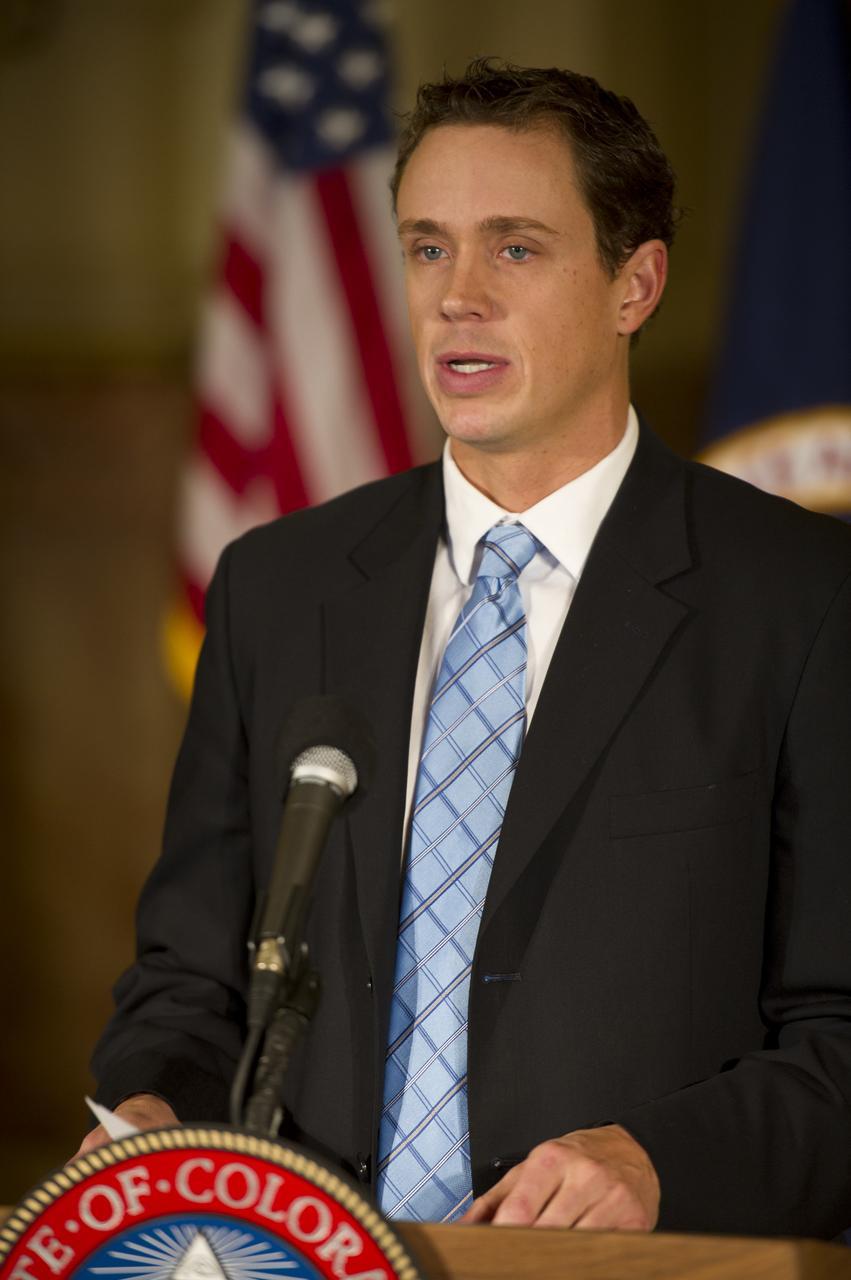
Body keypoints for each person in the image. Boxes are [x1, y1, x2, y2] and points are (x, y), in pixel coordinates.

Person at [81, 60, 851, 1237]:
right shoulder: (278, 588)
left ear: (633, 283)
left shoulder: (799, 598)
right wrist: (148, 1107)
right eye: (428, 247)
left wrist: (660, 1159)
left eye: (516, 248)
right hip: (305, 1256)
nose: (456, 297)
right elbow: (194, 982)